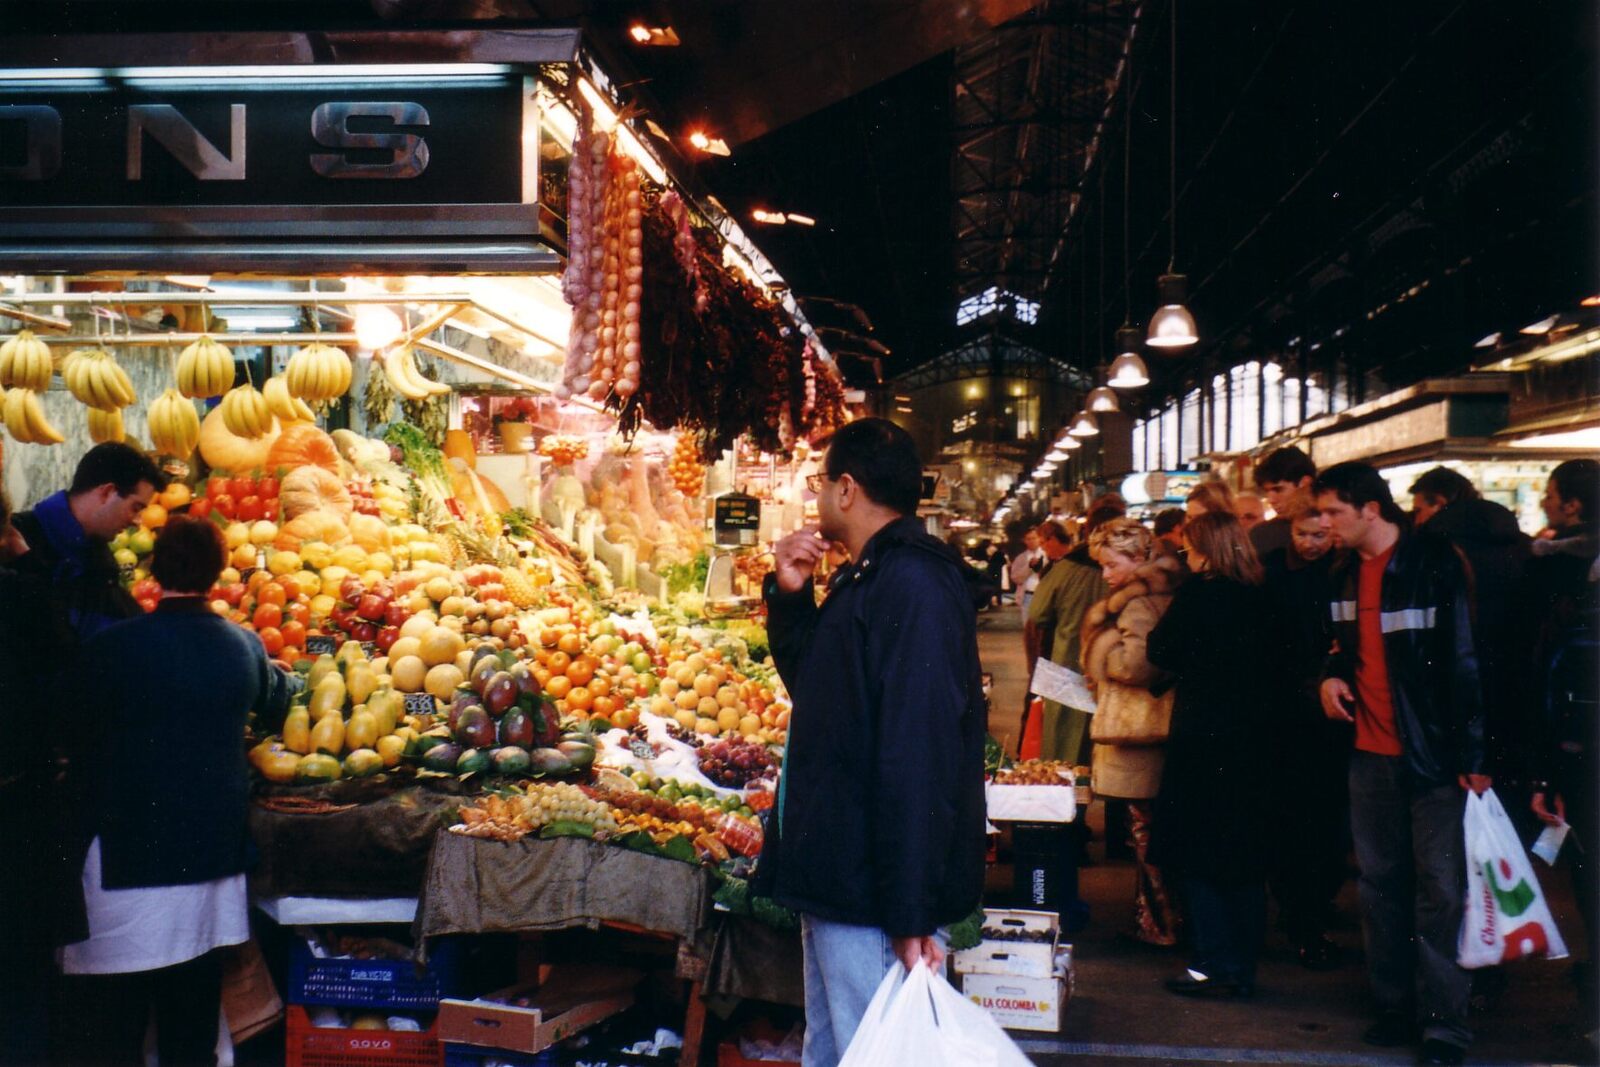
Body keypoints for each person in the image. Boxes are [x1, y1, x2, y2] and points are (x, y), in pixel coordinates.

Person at [761, 419, 987, 1067]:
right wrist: (791, 595)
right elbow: (820, 689)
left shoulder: (912, 584)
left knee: (880, 1053)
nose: (820, 494)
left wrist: (911, 909)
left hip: (872, 894)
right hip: (844, 878)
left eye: (822, 482)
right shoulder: (867, 576)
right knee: (838, 1051)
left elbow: (921, 755)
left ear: (848, 488)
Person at [58, 515, 296, 1066]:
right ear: (217, 573)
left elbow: (68, 723)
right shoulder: (243, 647)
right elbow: (280, 702)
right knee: (189, 1022)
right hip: (207, 863)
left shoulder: (111, 647)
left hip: (125, 860)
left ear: (153, 568)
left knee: (114, 1026)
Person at [1314, 462, 1487, 1067]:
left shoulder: (1434, 564)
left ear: (1370, 509)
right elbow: (1340, 650)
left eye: (1333, 512)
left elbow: (1465, 660)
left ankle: (1445, 1025)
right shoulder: (1340, 574)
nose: (1323, 524)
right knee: (1380, 887)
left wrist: (1474, 756)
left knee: (1440, 892)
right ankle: (1393, 1006)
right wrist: (1331, 677)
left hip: (1432, 759)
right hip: (1369, 757)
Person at [1147, 511, 1274, 998]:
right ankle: (1242, 966)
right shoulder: (1263, 595)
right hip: (1255, 740)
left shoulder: (1199, 594)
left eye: (1188, 549)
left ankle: (1209, 963)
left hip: (1202, 736)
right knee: (1244, 855)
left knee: (1200, 855)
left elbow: (1161, 649)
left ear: (1203, 549)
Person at [1082, 517, 1187, 946]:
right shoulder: (1163, 592)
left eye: (1111, 565)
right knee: (1153, 830)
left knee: (1146, 832)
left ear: (1139, 558)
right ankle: (1158, 919)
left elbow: (1138, 663)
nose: (1106, 575)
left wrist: (1100, 655)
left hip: (1139, 728)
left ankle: (1161, 923)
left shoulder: (1139, 603)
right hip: (1156, 725)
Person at [1259, 501, 1349, 971]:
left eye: (1320, 535)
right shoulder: (1272, 572)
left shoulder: (1345, 570)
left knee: (1326, 823)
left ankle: (1309, 910)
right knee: (1297, 822)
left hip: (1332, 716)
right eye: (1302, 533)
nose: (1310, 543)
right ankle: (1301, 918)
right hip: (1286, 714)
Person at [0, 489, 72, 1065]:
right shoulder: (21, 596)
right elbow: (65, 650)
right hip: (16, 805)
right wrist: (24, 558)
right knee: (21, 972)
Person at [1525, 459, 1600, 1013]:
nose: (1546, 503)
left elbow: (1556, 670)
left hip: (1582, 745)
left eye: (1551, 495)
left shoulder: (1554, 569)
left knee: (1589, 865)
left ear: (1572, 504)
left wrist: (1550, 765)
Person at [1409, 466, 1531, 779]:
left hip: (1468, 689)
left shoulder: (1437, 554)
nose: (1416, 520)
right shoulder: (1521, 543)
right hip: (1520, 680)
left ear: (1439, 502)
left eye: (1419, 510)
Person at [10, 442, 168, 642]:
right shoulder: (15, 541)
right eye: (135, 508)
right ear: (107, 492)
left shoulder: (100, 562)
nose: (137, 522)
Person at [1028, 506, 1121, 765]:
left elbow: (1038, 613)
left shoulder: (1066, 568)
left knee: (1062, 753)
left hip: (1064, 664)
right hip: (1110, 670)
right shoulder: (1128, 570)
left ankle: (1070, 805)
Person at [1251, 445, 1317, 557]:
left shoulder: (1334, 529)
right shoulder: (1262, 535)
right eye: (1267, 491)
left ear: (1305, 483)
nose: (1271, 500)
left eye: (1278, 490)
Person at [1009, 527, 1046, 617]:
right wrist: (1029, 567)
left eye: (1034, 538)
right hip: (1027, 596)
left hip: (1044, 596)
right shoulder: (1020, 558)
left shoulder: (1046, 556)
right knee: (1028, 625)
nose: (1031, 541)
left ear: (1039, 539)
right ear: (1024, 541)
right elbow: (1015, 578)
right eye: (1028, 539)